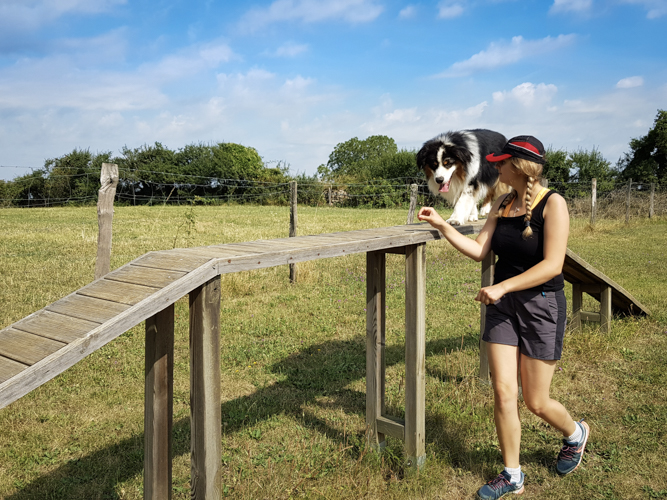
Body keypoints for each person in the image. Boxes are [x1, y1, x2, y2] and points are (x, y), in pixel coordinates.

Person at [417, 136, 589, 499]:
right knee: (503, 392)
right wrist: (442, 226)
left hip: (541, 305)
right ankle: (512, 474)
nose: (496, 168)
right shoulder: (501, 201)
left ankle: (575, 434)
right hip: (503, 309)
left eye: (502, 163)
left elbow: (552, 266)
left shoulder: (553, 204)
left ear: (519, 168)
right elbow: (480, 250)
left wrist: (502, 287)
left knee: (536, 401)